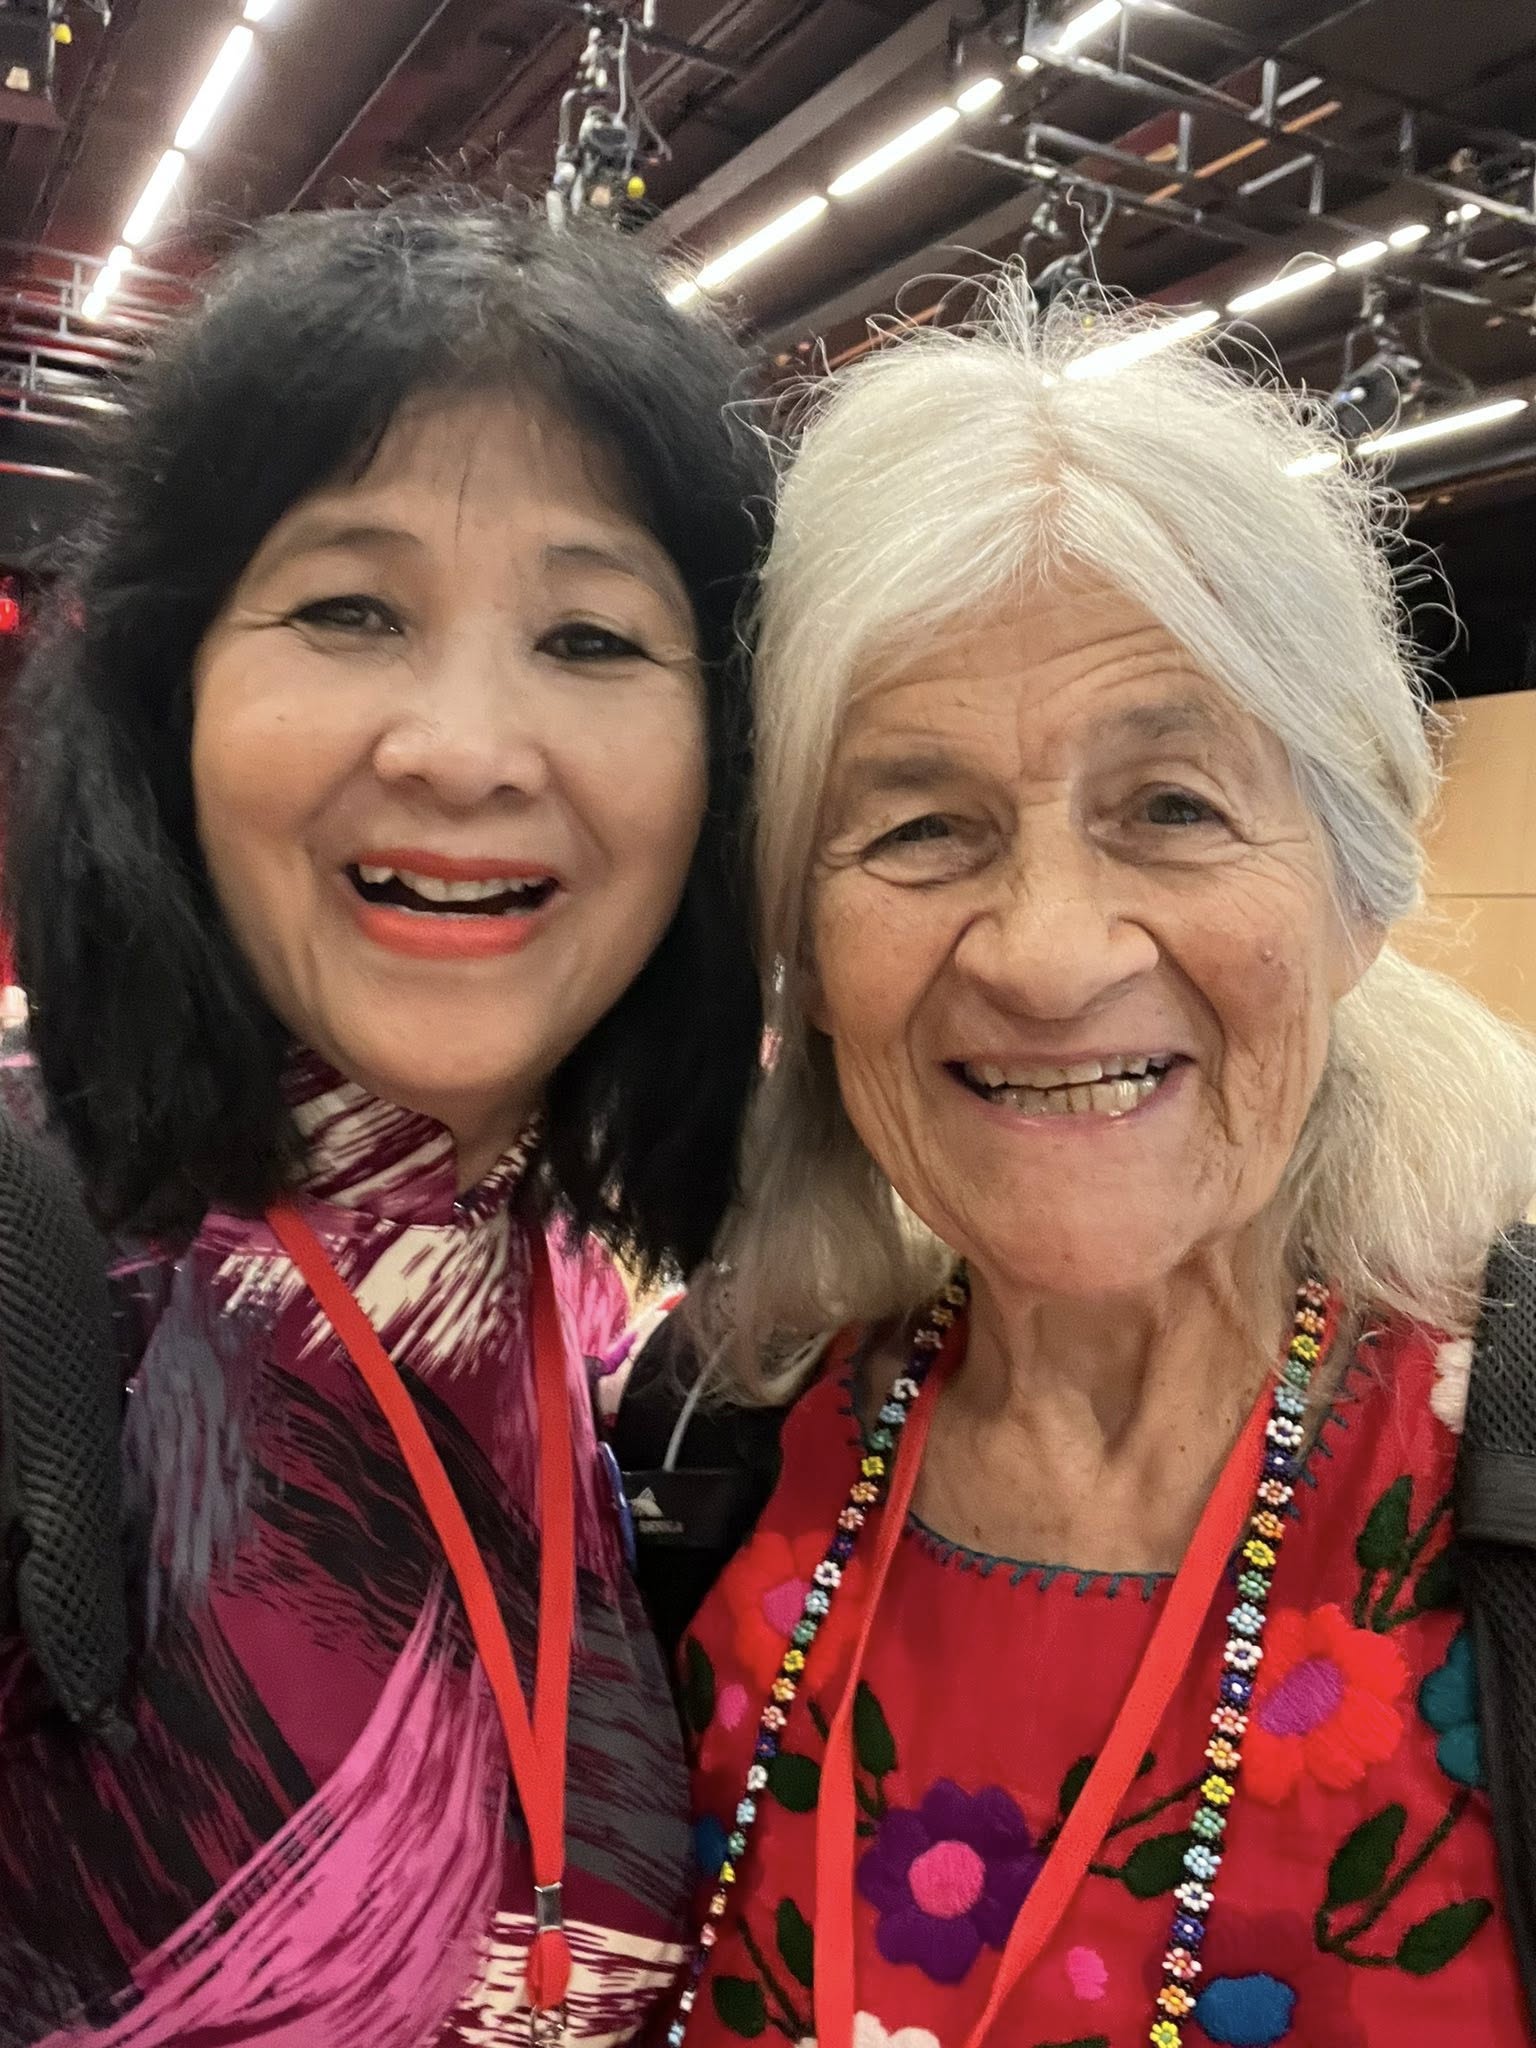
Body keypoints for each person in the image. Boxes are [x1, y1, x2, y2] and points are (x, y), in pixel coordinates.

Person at [666, 283, 1536, 2048]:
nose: (1051, 957)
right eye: (920, 826)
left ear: (1356, 890)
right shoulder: (717, 1446)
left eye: (1172, 808)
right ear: (802, 952)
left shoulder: (1494, 1482)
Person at [0, 192, 767, 2047]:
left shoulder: (586, 1310)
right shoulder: (39, 1277)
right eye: (350, 609)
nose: (466, 750)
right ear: (170, 692)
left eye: (590, 637)